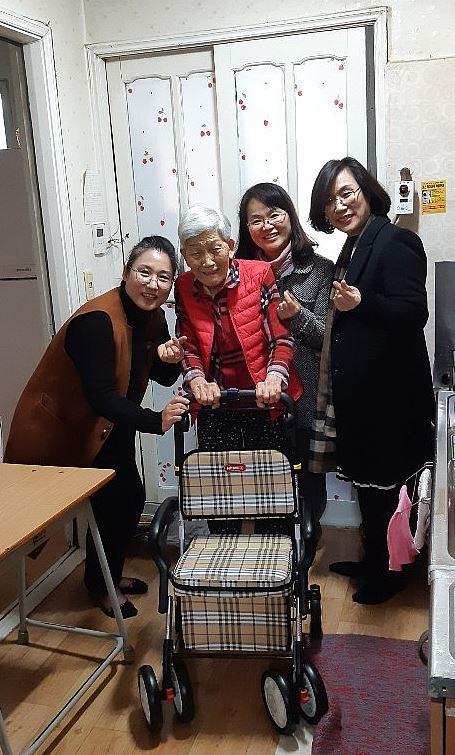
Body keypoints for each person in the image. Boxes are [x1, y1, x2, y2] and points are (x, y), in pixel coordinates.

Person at [5, 236, 189, 618]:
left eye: (163, 277)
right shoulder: (97, 321)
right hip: (64, 429)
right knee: (101, 505)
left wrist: (168, 358)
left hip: (107, 425)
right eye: (144, 272)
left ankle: (104, 578)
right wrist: (155, 420)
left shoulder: (153, 316)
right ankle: (102, 584)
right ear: (126, 272)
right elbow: (101, 397)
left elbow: (161, 375)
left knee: (125, 500)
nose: (153, 284)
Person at [308, 156, 434, 604]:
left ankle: (389, 575)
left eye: (346, 193)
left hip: (390, 399)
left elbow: (413, 312)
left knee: (386, 491)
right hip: (363, 397)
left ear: (366, 190)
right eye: (330, 201)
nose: (340, 206)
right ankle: (372, 560)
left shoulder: (396, 240)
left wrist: (363, 303)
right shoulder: (354, 244)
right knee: (366, 486)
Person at [174, 206, 302, 533]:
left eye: (214, 249)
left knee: (272, 492)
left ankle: (276, 556)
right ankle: (225, 552)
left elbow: (281, 338)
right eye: (195, 253)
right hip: (216, 404)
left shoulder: (259, 274)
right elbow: (188, 345)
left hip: (264, 402)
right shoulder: (184, 286)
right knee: (220, 495)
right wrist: (197, 381)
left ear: (230, 246)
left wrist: (273, 378)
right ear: (185, 256)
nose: (206, 261)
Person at [237, 182, 334, 526]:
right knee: (261, 485)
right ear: (246, 229)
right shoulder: (238, 274)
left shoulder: (320, 270)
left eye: (274, 214)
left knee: (309, 488)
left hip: (304, 400)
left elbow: (329, 339)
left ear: (289, 216)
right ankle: (270, 549)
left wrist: (298, 317)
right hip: (255, 399)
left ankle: (307, 546)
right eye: (256, 220)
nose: (267, 225)